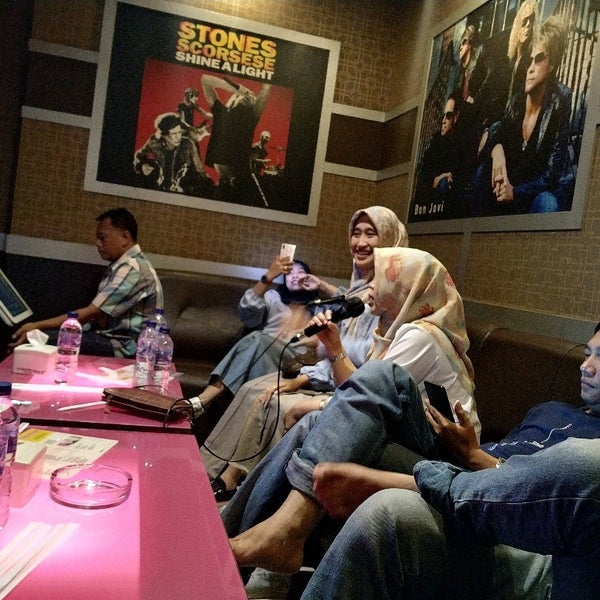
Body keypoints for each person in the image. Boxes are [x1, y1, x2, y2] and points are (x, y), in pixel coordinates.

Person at [221, 246, 481, 573]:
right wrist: (333, 346)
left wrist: (317, 400)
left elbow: (371, 388)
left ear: (406, 287)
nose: (370, 287)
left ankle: (270, 534)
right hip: (409, 438)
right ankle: (237, 535)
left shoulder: (421, 335)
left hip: (446, 455)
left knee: (325, 413)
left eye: (381, 278)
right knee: (312, 423)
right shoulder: (392, 329)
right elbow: (361, 392)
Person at [298, 323, 600, 600]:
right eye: (587, 355)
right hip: (462, 471)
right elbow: (504, 455)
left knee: (387, 507)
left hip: (508, 523)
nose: (585, 367)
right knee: (331, 418)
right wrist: (466, 449)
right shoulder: (551, 409)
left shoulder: (592, 454)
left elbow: (539, 501)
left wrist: (475, 457)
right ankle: (281, 542)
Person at [202, 206, 408, 501]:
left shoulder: (386, 298)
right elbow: (339, 337)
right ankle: (208, 468)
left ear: (389, 241)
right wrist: (271, 278)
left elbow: (362, 363)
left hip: (347, 388)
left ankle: (238, 485)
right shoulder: (349, 292)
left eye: (370, 234)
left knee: (270, 397)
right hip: (327, 374)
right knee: (252, 388)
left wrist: (304, 374)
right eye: (356, 233)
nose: (360, 242)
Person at [11, 208, 163, 358]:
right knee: (44, 335)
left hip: (127, 346)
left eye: (102, 237)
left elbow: (92, 313)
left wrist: (37, 326)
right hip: (112, 338)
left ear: (125, 237)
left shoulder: (132, 268)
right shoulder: (125, 264)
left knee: (40, 339)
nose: (97, 243)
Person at [188, 256, 320, 417]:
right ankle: (221, 409)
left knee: (258, 338)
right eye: (290, 273)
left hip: (294, 360)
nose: (295, 276)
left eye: (300, 272)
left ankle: (203, 400)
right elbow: (247, 315)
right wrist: (268, 277)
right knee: (258, 343)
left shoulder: (320, 306)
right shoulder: (273, 297)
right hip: (264, 356)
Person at [472, 15, 573, 215]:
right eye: (530, 60)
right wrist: (497, 152)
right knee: (483, 171)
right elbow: (495, 136)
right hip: (506, 187)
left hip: (530, 193)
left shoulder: (560, 101)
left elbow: (551, 175)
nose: (530, 68)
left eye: (539, 59)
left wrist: (515, 193)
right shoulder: (518, 101)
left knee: (548, 203)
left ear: (552, 65)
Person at [201, 74, 271, 190]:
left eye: (251, 96)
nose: (248, 95)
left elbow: (267, 88)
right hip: (225, 183)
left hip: (243, 180)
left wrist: (242, 93)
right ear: (232, 100)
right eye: (240, 96)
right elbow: (205, 80)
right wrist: (236, 90)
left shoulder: (251, 118)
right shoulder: (221, 113)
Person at [415, 93, 474, 218]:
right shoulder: (436, 141)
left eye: (448, 116)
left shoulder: (464, 142)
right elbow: (423, 177)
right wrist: (436, 179)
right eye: (443, 115)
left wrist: (443, 178)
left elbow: (461, 176)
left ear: (456, 117)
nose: (443, 121)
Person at [133, 112, 211, 195]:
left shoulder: (188, 144)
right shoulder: (155, 144)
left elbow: (200, 171)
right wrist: (141, 166)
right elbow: (138, 157)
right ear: (165, 135)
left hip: (182, 192)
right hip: (157, 191)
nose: (178, 137)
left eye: (179, 132)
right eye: (174, 133)